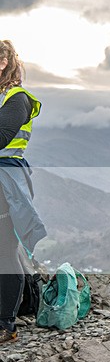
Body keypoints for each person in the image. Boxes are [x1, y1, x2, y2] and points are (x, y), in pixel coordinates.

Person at [0, 39, 46, 345]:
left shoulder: (17, 98)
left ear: (3, 62)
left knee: (4, 252)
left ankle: (6, 325)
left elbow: (2, 137)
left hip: (5, 185)